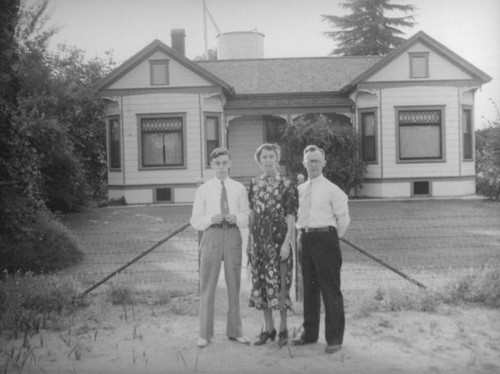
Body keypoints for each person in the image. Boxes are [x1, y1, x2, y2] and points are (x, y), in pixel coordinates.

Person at [292, 145, 350, 354]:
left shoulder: (332, 190)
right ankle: (310, 332)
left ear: (324, 163)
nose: (313, 164)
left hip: (326, 239)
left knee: (330, 289)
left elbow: (343, 219)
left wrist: (331, 237)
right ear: (304, 163)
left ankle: (334, 338)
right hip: (304, 239)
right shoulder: (299, 190)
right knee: (309, 288)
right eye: (310, 161)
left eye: (317, 160)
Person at [190, 147, 250, 348]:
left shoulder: (239, 188)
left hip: (232, 234)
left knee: (234, 284)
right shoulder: (204, 189)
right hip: (212, 235)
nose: (222, 167)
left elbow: (247, 216)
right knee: (207, 284)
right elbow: (195, 220)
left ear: (230, 164)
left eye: (225, 163)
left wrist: (237, 218)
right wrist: (209, 218)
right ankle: (204, 333)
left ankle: (235, 331)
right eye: (217, 163)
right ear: (211, 165)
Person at [247, 143, 298, 348]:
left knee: (280, 286)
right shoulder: (254, 184)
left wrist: (287, 243)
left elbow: (291, 216)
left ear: (277, 159)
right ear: (259, 161)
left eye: (271, 156)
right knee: (262, 287)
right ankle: (269, 329)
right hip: (259, 245)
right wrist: (250, 242)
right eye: (264, 157)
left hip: (279, 245)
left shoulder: (287, 184)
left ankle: (284, 329)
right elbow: (252, 214)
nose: (268, 160)